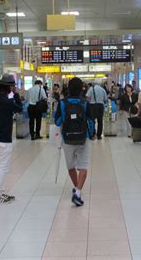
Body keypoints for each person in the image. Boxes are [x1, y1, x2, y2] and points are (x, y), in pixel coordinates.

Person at [55, 77, 95, 207]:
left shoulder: (62, 103)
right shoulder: (85, 103)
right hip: (83, 138)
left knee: (71, 166)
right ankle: (77, 191)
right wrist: (92, 134)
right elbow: (90, 121)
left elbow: (57, 121)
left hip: (67, 138)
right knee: (83, 166)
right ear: (81, 89)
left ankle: (77, 190)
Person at [0, 74, 23, 204]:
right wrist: (16, 95)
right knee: (2, 167)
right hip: (3, 139)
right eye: (12, 86)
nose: (13, 88)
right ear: (9, 87)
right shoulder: (7, 102)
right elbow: (19, 109)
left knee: (0, 166)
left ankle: (0, 192)